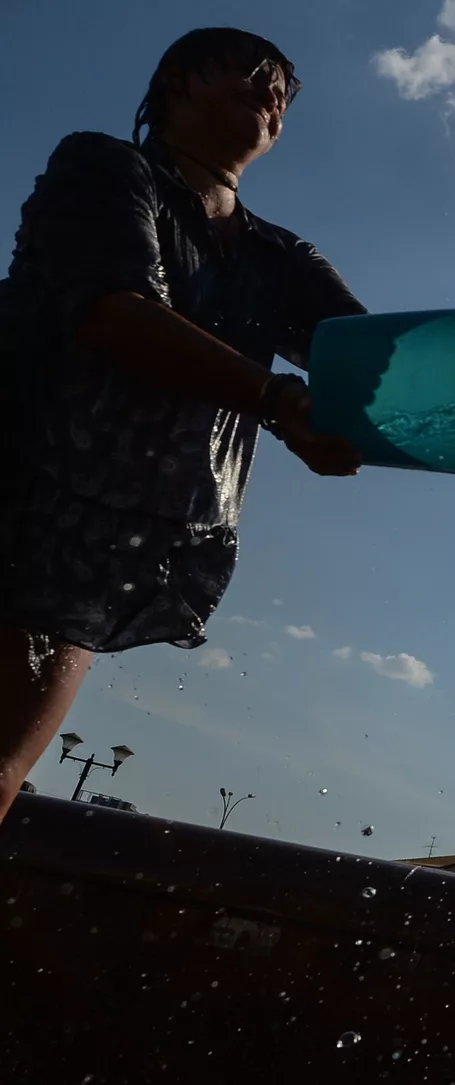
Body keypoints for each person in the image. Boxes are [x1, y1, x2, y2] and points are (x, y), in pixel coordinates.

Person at [0, 28, 363, 824]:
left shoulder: (278, 256)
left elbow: (369, 358)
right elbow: (117, 315)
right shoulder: (105, 168)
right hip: (19, 477)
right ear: (175, 81)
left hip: (89, 554)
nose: (272, 92)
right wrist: (278, 401)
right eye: (251, 71)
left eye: (282, 92)